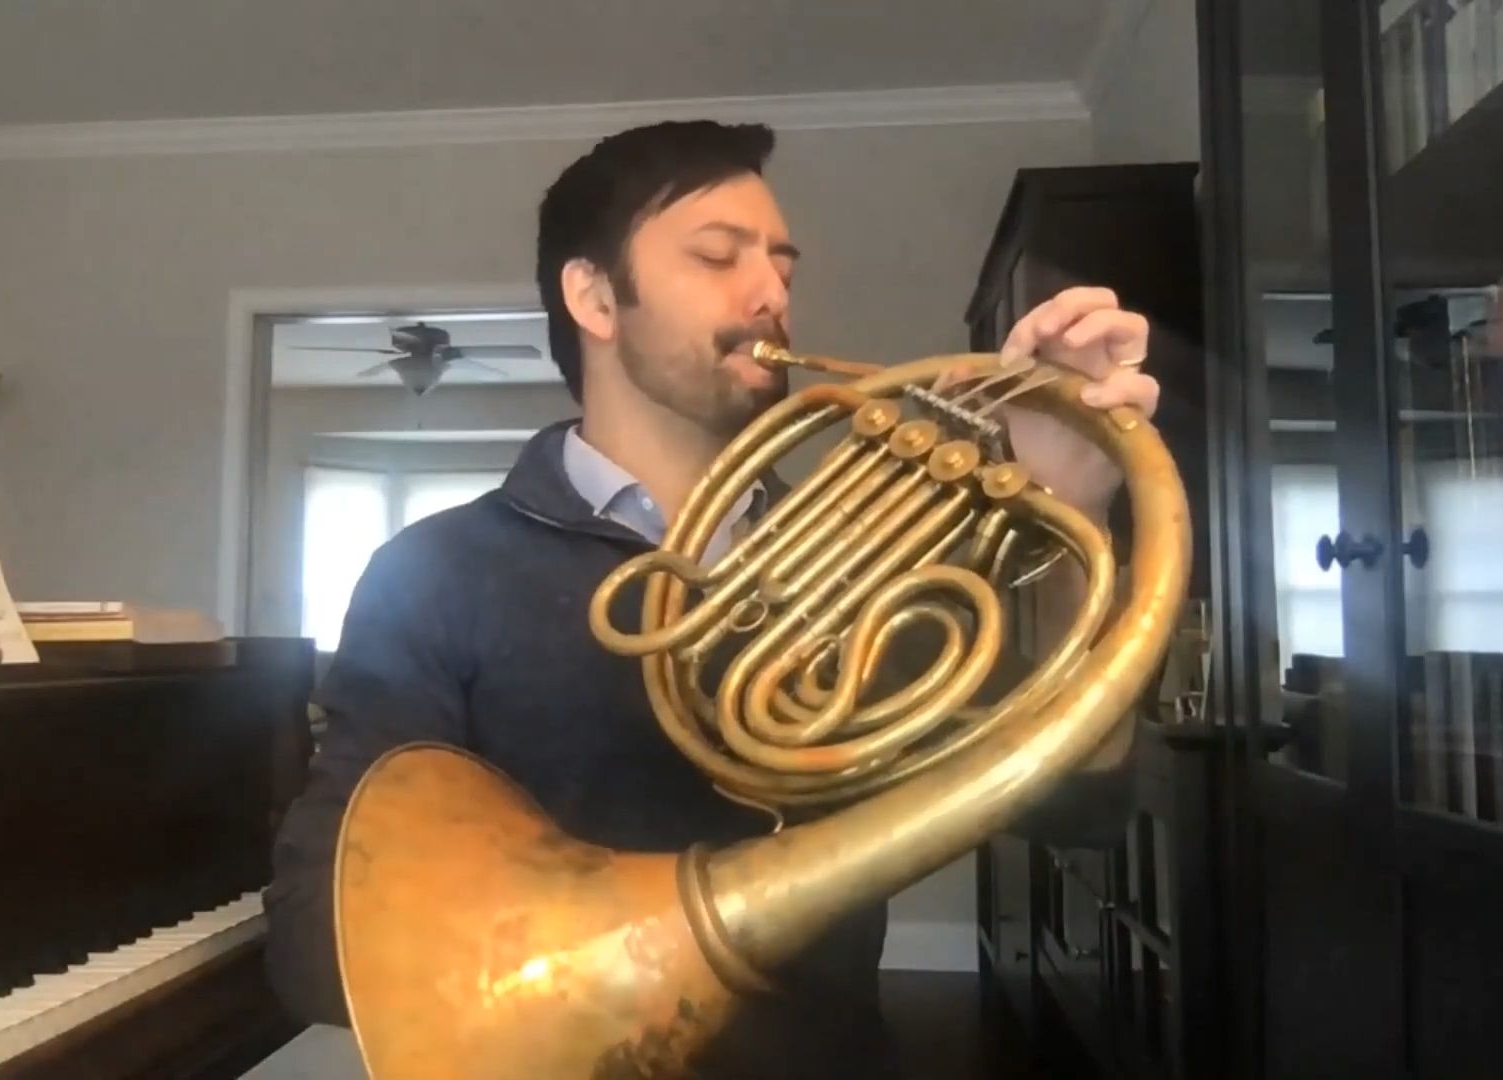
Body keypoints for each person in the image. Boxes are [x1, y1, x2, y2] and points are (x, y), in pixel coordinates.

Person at [263, 119, 1161, 1078]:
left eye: (782, 264)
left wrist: (1071, 506)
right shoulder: (434, 571)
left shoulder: (871, 554)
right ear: (596, 297)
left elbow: (1084, 808)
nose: (771, 292)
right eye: (718, 256)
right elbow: (322, 941)